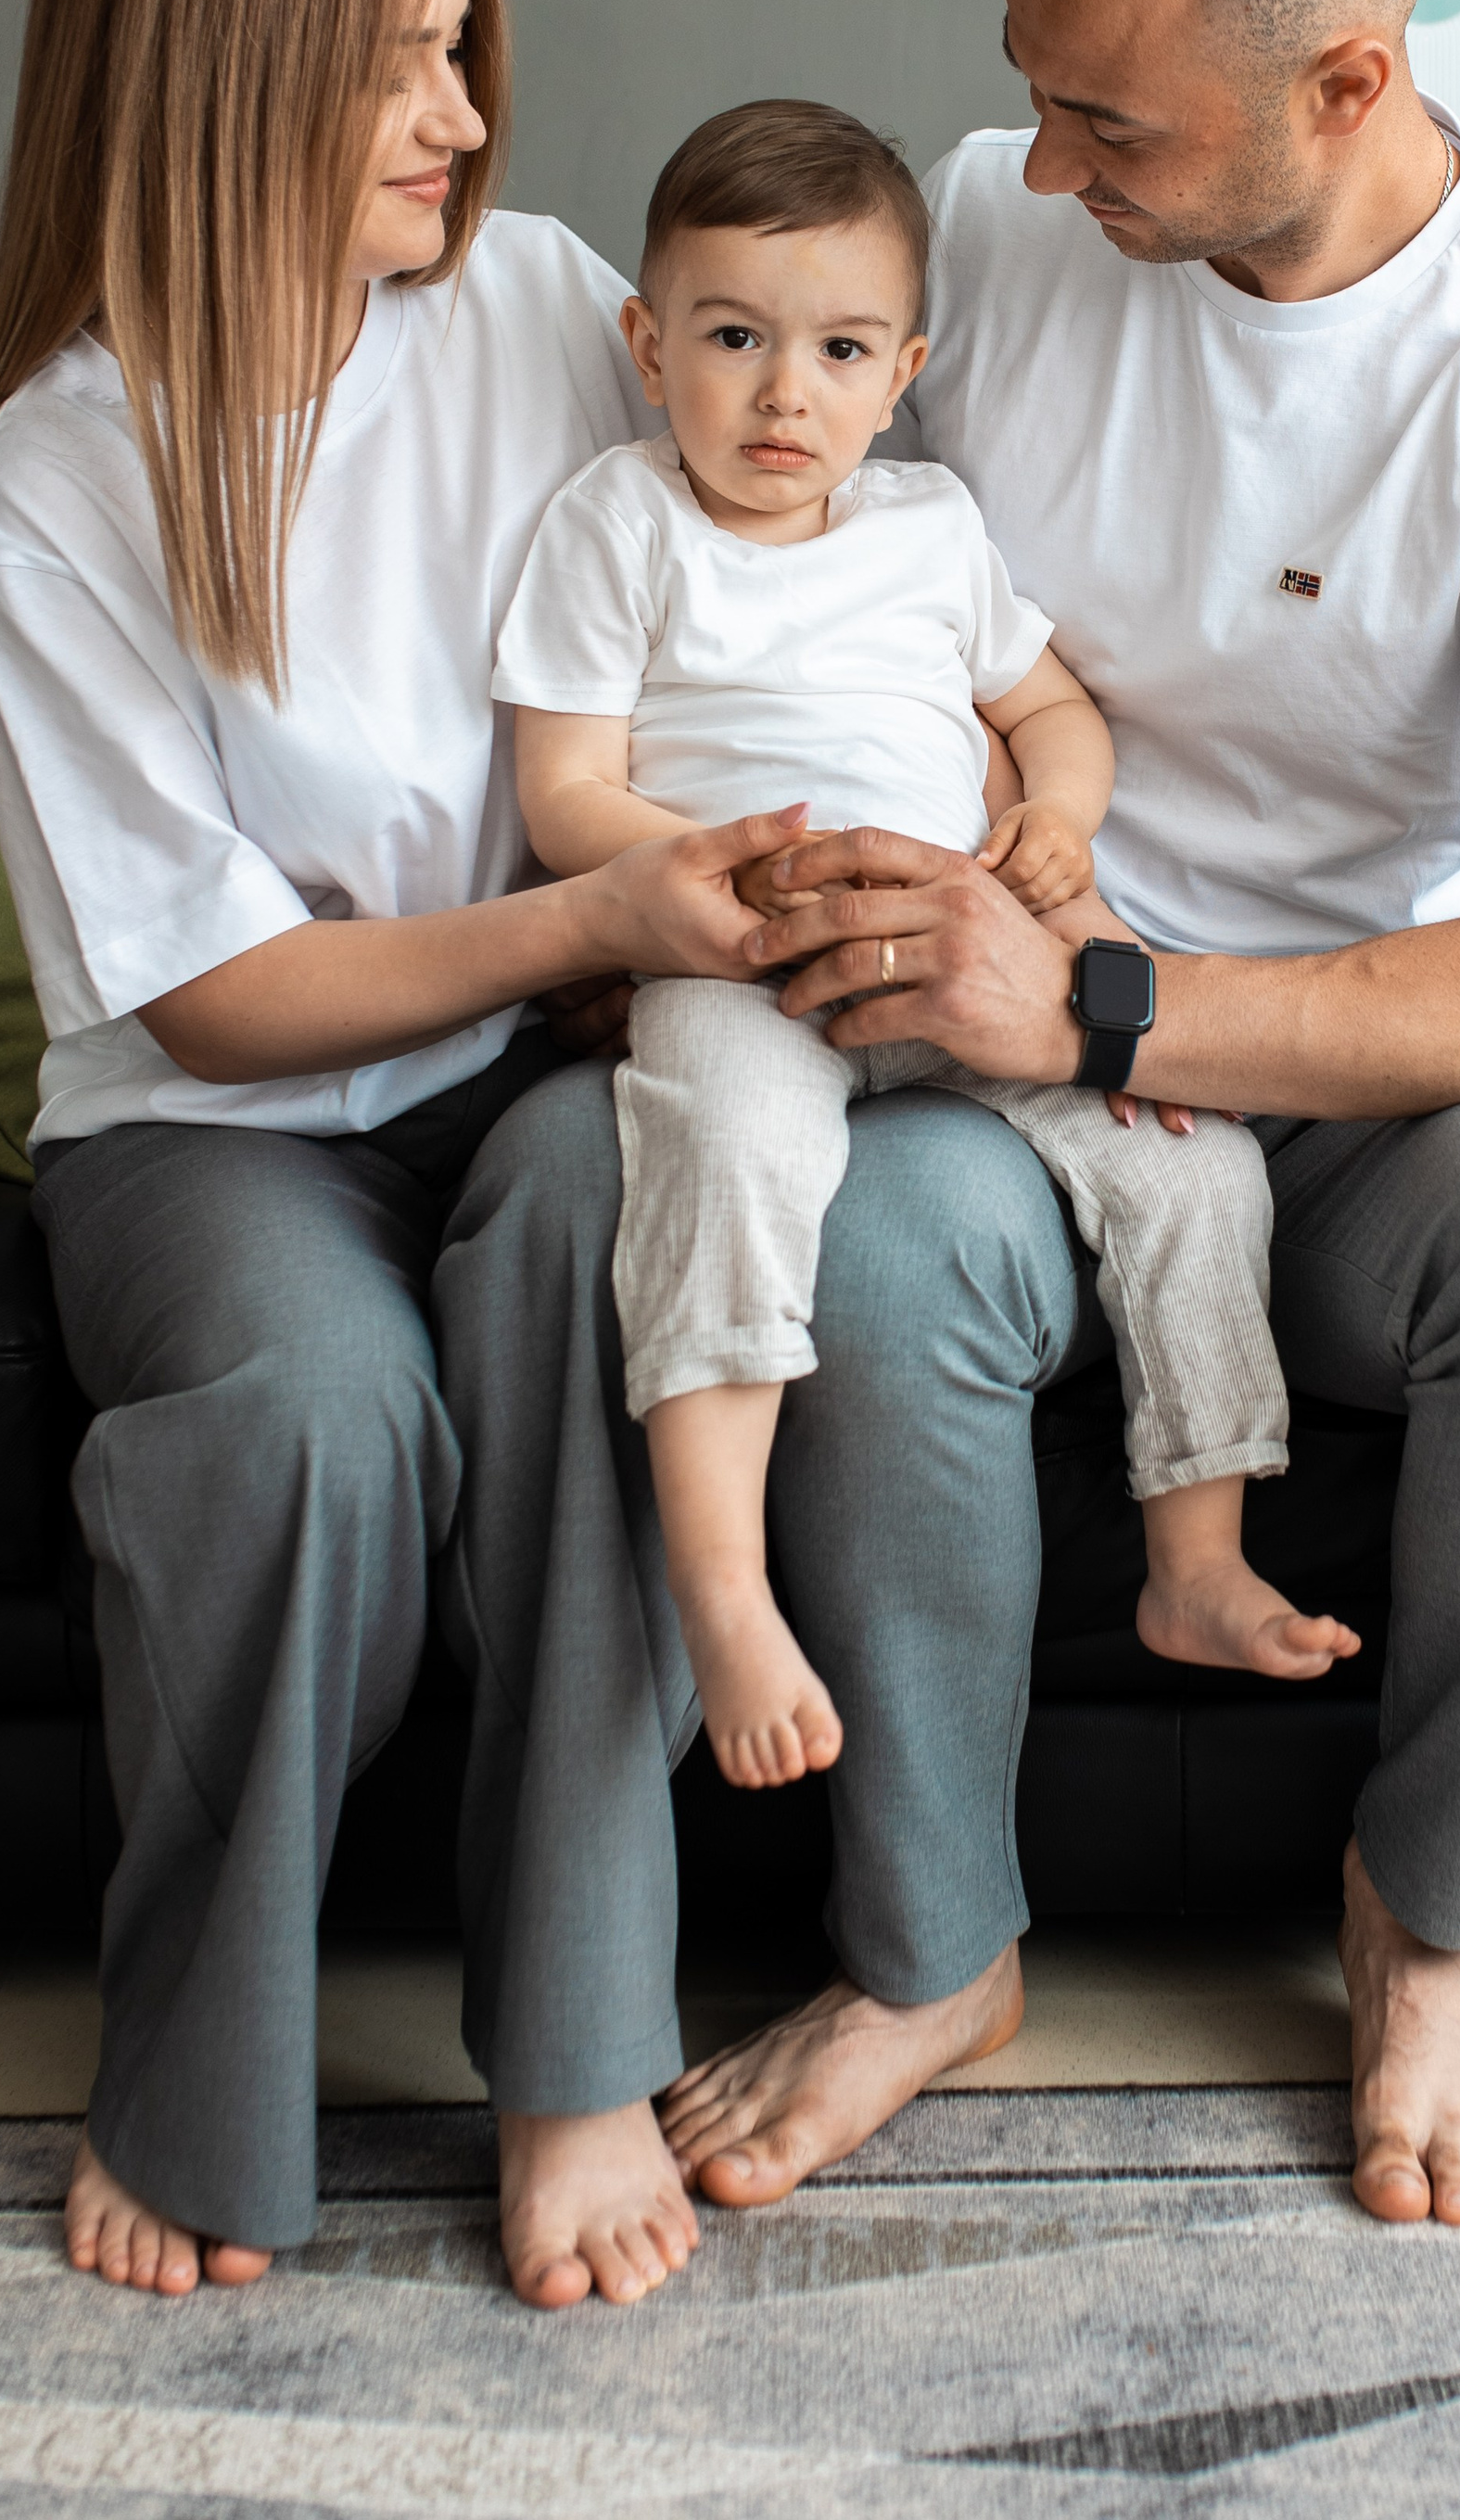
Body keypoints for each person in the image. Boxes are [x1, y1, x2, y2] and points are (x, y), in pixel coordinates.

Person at [654, 0, 1460, 2228]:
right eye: (1031, 93)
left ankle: (1434, 1913)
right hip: (997, 1090)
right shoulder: (981, 231)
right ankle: (934, 1952)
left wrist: (1113, 1007)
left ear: (1348, 78)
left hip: (1356, 1090)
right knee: (880, 1242)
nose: (1039, 171)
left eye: (1110, 126)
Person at [0, 0, 880, 2312]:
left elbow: (787, 525)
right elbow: (214, 990)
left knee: (606, 1239)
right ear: (218, 68)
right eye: (403, 62)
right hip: (214, 1122)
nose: (467, 114)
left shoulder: (554, 304)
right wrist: (575, 906)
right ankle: (194, 2063)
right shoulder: (50, 480)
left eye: (468, 50)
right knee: (317, 1414)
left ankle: (576, 2045)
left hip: (530, 1071)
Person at [491, 98, 1359, 1790]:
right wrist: (704, 875)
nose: (781, 391)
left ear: (904, 370)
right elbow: (563, 793)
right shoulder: (622, 524)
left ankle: (1195, 1559)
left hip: (965, 961)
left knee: (1193, 1158)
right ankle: (726, 1588)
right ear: (646, 342)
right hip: (741, 966)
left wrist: (1061, 821)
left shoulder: (928, 526)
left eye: (838, 348)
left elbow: (1050, 708)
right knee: (722, 1163)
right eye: (732, 337)